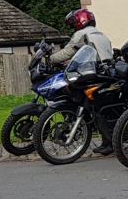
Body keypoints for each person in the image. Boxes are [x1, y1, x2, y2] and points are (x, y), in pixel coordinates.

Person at [49, 8, 116, 155]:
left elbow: (67, 52)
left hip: (92, 75)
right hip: (107, 74)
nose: (73, 26)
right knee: (101, 107)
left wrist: (50, 59)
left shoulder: (81, 34)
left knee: (91, 105)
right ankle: (104, 137)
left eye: (74, 23)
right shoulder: (101, 34)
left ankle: (104, 138)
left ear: (81, 20)